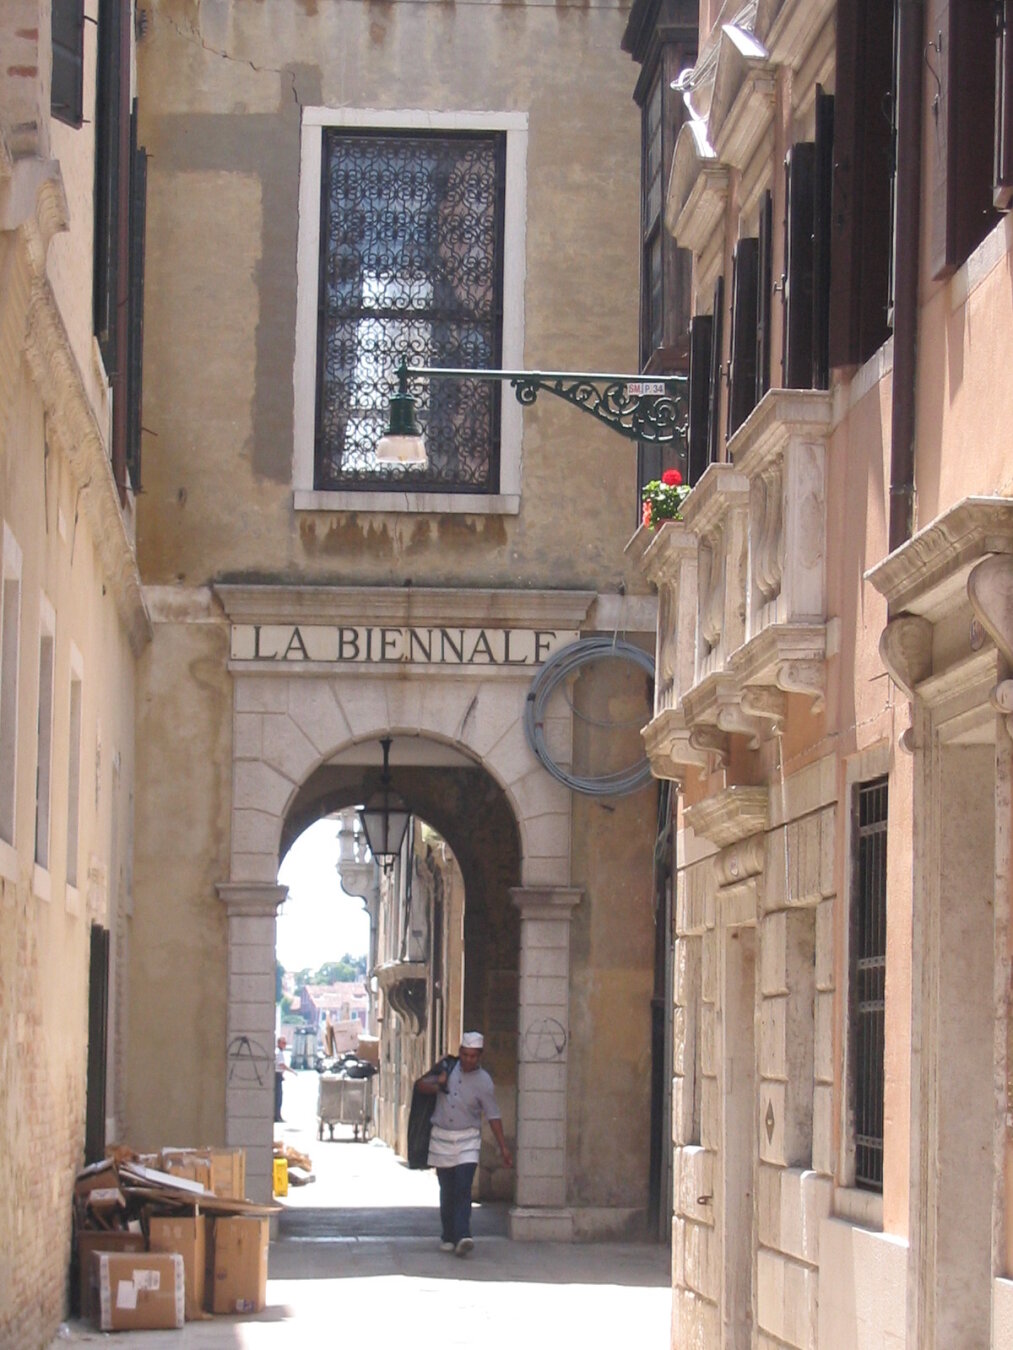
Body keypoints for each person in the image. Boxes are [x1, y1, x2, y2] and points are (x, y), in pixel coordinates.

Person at [413, 1031, 513, 1257]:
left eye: (473, 1056)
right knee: (447, 1189)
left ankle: (463, 1235)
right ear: (460, 1053)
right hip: (441, 1138)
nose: (469, 1060)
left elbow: (493, 1115)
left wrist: (503, 1147)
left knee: (463, 1187)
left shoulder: (484, 1081)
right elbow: (420, 1086)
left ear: (480, 1056)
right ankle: (448, 1235)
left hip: (468, 1139)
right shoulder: (446, 1068)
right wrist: (438, 1084)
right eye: (465, 1055)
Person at [275, 1035, 295, 1123]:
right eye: (283, 1043)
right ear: (279, 1043)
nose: (285, 1045)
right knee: (278, 1098)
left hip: (278, 1075)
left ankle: (277, 1116)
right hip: (277, 1076)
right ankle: (277, 1116)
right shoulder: (279, 1053)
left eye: (285, 1043)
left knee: (278, 1097)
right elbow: (281, 1065)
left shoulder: (277, 1052)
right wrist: (292, 1071)